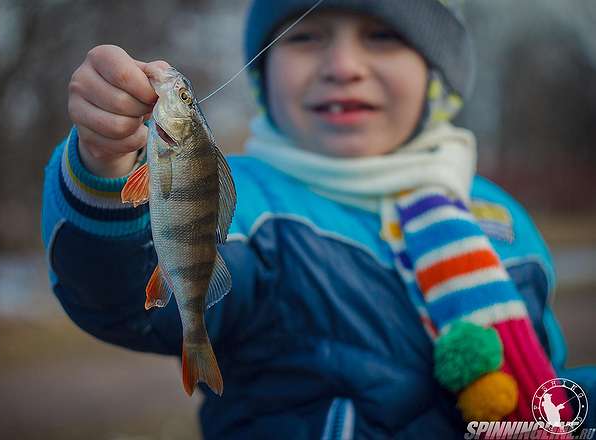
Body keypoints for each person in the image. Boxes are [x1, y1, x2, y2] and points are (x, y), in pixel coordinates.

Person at [41, 0, 595, 437]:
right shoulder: (254, 210)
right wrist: (105, 163)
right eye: (305, 37)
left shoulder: (504, 221)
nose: (343, 67)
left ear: (437, 75)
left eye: (382, 35)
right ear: (263, 74)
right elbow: (118, 299)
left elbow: (550, 388)